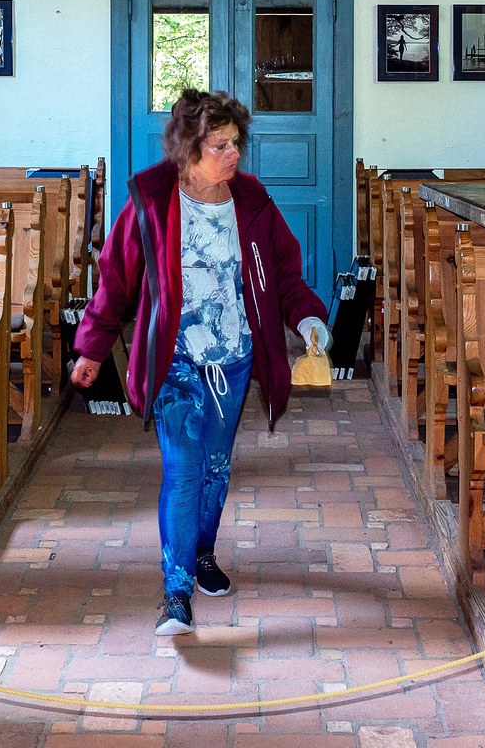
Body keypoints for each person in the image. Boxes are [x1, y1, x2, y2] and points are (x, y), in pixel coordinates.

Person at [71, 89, 331, 636]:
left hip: (233, 360)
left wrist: (307, 318)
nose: (233, 155)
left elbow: (283, 274)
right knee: (185, 471)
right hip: (175, 361)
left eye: (236, 143)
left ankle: (203, 552)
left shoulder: (252, 203)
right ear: (190, 150)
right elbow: (116, 278)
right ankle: (176, 591)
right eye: (221, 146)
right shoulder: (152, 201)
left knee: (216, 468)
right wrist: (93, 347)